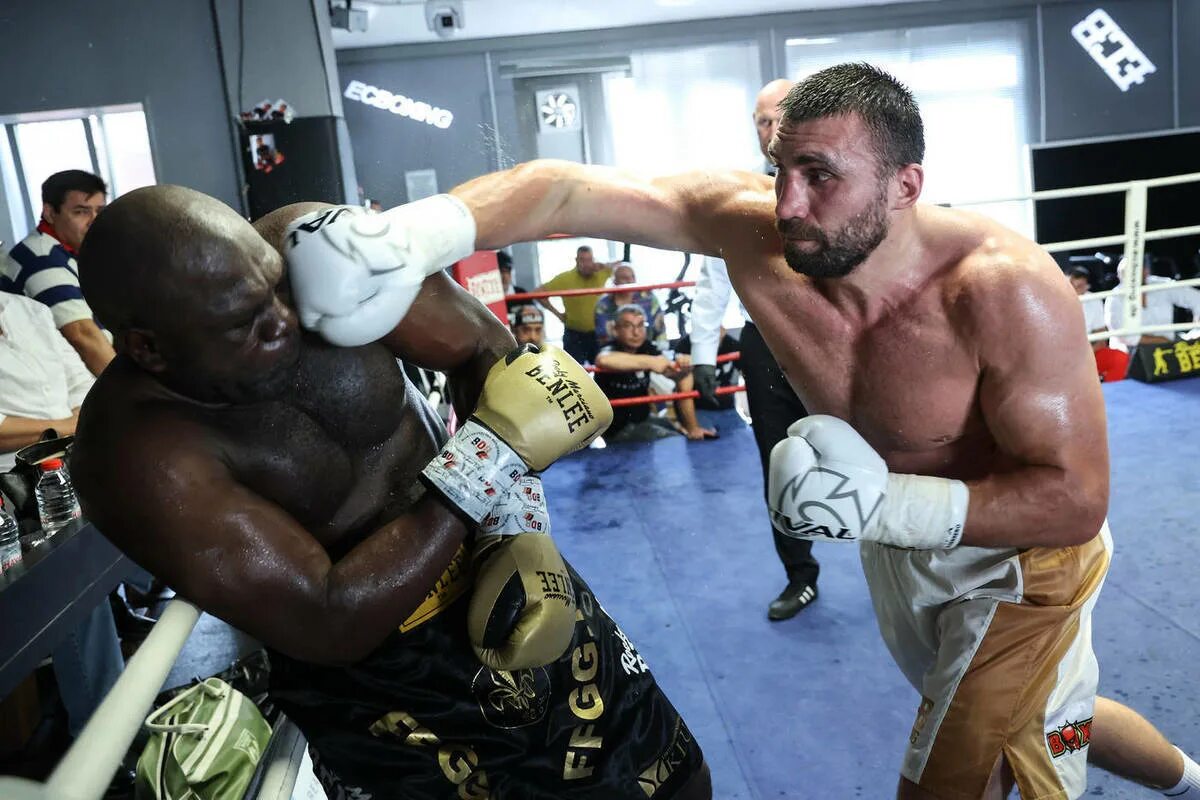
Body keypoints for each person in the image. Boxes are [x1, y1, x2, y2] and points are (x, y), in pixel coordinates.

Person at [310, 61, 1200, 800]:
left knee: (961, 772)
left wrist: (886, 503)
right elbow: (567, 188)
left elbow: (1075, 500)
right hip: (901, 556)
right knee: (1048, 720)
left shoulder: (1003, 291)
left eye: (821, 177)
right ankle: (1186, 778)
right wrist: (413, 235)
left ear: (906, 186)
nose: (786, 204)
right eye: (780, 170)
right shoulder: (755, 234)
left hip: (1021, 566)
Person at [71, 187, 712, 800]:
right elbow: (328, 618)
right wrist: (488, 460)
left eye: (273, 288)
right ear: (147, 348)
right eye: (245, 323)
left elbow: (482, 349)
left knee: (669, 776)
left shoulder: (313, 249)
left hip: (497, 558)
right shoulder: (136, 455)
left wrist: (512, 526)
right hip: (384, 675)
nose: (286, 320)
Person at [690, 78, 820, 621]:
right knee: (779, 464)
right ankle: (800, 574)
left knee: (877, 449)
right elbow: (713, 278)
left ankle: (902, 556)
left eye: (778, 117)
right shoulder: (744, 199)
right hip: (764, 342)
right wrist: (701, 355)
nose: (769, 130)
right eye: (760, 122)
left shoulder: (844, 182)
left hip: (832, 338)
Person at [0, 290, 125, 742]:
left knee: (84, 593)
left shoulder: (28, 311)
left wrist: (48, 429)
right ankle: (102, 740)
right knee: (73, 592)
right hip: (9, 497)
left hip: (64, 474)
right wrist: (62, 425)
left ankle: (106, 735)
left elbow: (86, 389)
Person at [2, 170, 114, 376]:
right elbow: (82, 336)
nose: (94, 220)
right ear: (50, 213)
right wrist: (133, 395)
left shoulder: (75, 251)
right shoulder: (41, 258)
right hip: (62, 387)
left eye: (100, 210)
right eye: (81, 212)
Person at [594, 305, 716, 443]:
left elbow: (676, 375)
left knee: (680, 431)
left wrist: (683, 368)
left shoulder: (646, 348)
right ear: (615, 330)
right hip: (616, 427)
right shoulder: (610, 348)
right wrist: (651, 362)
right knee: (674, 441)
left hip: (642, 418)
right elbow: (603, 359)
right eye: (628, 326)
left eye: (641, 325)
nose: (636, 332)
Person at [533, 245, 612, 364]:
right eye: (583, 260)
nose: (586, 264)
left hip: (598, 333)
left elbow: (621, 267)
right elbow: (538, 292)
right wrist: (558, 314)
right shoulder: (565, 278)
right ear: (576, 261)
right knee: (575, 372)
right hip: (574, 334)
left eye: (589, 260)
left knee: (603, 369)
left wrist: (604, 265)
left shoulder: (601, 272)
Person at [1105, 257, 1200, 348]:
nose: (1132, 278)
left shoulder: (1160, 285)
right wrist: (1160, 340)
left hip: (1169, 348)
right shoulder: (1114, 298)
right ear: (1120, 276)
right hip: (1130, 354)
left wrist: (1196, 330)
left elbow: (1196, 298)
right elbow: (1122, 335)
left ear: (1146, 271)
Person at [594, 263, 666, 349]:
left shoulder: (648, 297)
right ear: (614, 281)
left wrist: (662, 346)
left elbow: (660, 325)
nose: (630, 281)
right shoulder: (603, 304)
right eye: (624, 278)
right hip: (616, 350)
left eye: (633, 277)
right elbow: (603, 336)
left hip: (648, 347)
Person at [673, 327, 740, 411]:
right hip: (698, 407)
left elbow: (748, 367)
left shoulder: (731, 343)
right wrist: (683, 363)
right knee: (684, 382)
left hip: (727, 406)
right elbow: (673, 373)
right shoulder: (685, 345)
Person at [1069, 266, 1107, 349]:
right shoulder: (1057, 299)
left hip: (1088, 346)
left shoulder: (1095, 300)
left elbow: (1101, 335)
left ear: (1087, 286)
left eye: (1079, 286)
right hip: (1063, 346)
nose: (1074, 290)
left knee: (1119, 357)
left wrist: (1088, 355)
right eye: (1071, 285)